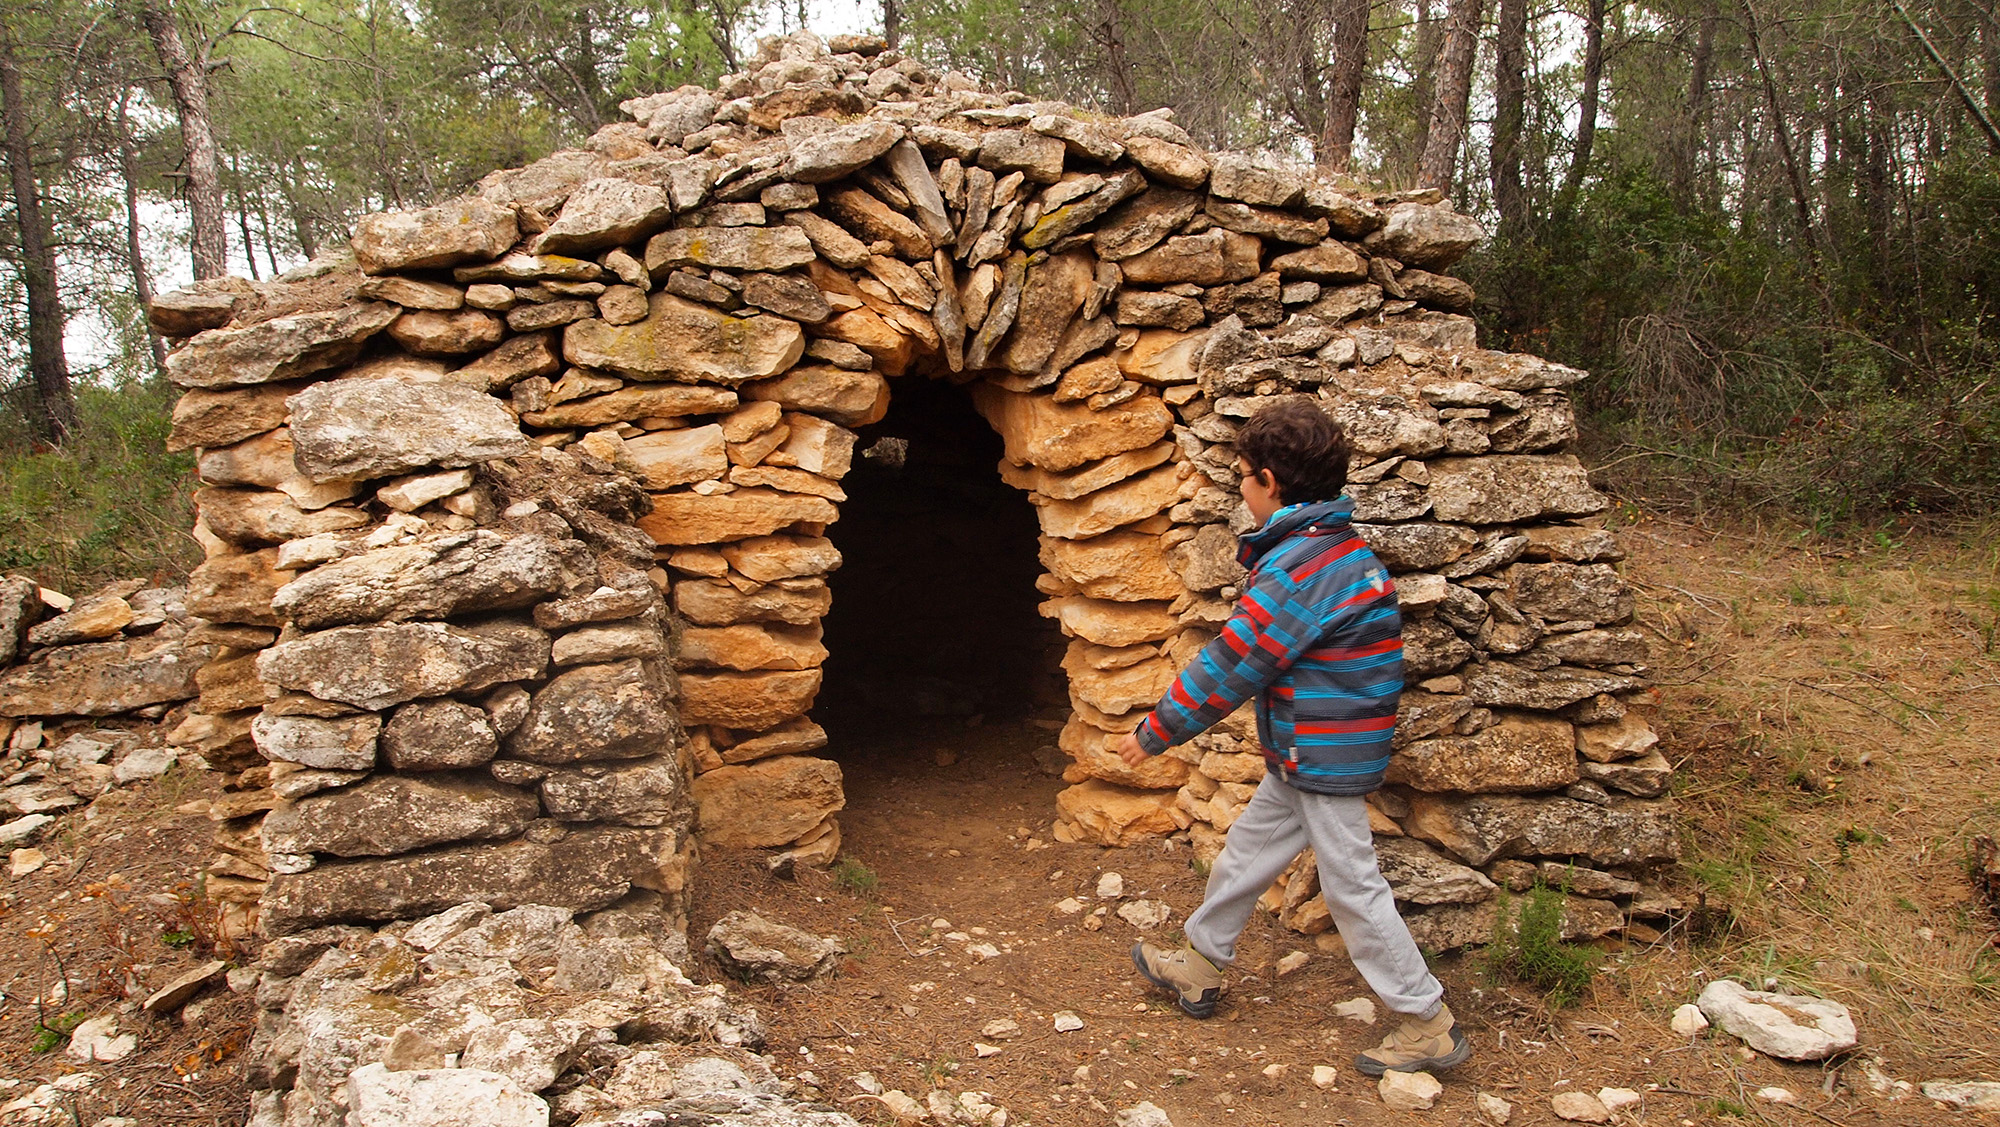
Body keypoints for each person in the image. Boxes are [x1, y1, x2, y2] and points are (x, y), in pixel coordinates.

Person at [1116, 398, 1470, 1077]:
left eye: (1245, 476)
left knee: (1353, 887)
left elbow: (1233, 662)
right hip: (1306, 753)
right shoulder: (1337, 550)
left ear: (1271, 482)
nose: (1242, 489)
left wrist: (1156, 731)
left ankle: (1426, 1018)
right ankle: (1200, 961)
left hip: (1323, 757)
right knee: (1245, 853)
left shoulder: (1303, 569)